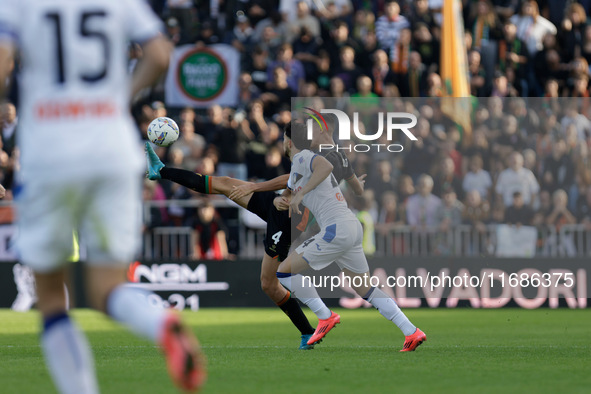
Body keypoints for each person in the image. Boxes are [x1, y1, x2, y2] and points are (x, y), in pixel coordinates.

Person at [0, 1, 205, 393]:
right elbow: (161, 53)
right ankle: (160, 322)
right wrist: (118, 97)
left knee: (50, 295)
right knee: (108, 286)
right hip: (112, 148)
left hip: (50, 149)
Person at [145, 143, 332, 349]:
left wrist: (258, 187)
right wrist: (285, 195)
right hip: (276, 205)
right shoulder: (305, 160)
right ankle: (161, 170)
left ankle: (309, 329)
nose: (285, 144)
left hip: (286, 222)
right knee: (224, 183)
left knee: (268, 284)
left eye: (287, 139)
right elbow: (291, 180)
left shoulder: (319, 163)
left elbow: (301, 189)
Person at [274, 123, 426, 351]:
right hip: (350, 226)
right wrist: (280, 199)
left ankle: (325, 316)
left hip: (336, 229)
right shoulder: (299, 167)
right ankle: (411, 331)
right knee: (364, 288)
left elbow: (324, 167)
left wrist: (300, 194)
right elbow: (286, 194)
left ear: (288, 140)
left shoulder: (304, 157)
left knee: (284, 271)